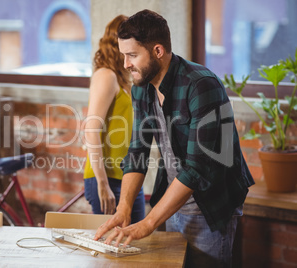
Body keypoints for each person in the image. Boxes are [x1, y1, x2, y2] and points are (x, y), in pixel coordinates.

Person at [94, 9, 254, 267]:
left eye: (132, 55)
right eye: (124, 55)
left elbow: (197, 168)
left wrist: (147, 223)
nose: (125, 64)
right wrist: (123, 209)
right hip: (171, 202)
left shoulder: (202, 85)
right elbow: (137, 151)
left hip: (210, 207)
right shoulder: (141, 89)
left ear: (158, 51)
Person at [83, 15, 145, 223]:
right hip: (108, 178)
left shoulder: (122, 78)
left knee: (134, 245)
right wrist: (102, 183)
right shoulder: (106, 75)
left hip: (127, 176)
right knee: (112, 250)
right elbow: (91, 129)